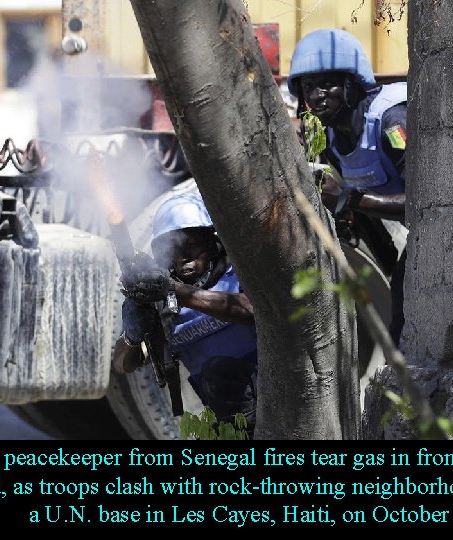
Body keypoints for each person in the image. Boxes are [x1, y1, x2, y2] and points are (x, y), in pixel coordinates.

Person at [286, 28, 409, 346]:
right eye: (309, 86)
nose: (316, 96)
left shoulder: (391, 120)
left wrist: (346, 198)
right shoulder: (329, 138)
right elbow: (361, 210)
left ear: (352, 85)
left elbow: (426, 203)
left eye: (327, 84)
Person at [116, 179, 258, 437]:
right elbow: (123, 365)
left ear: (210, 241)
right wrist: (131, 337)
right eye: (173, 249)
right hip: (229, 426)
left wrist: (178, 292)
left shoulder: (239, 273)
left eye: (190, 245)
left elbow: (253, 310)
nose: (183, 257)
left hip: (276, 400)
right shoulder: (165, 306)